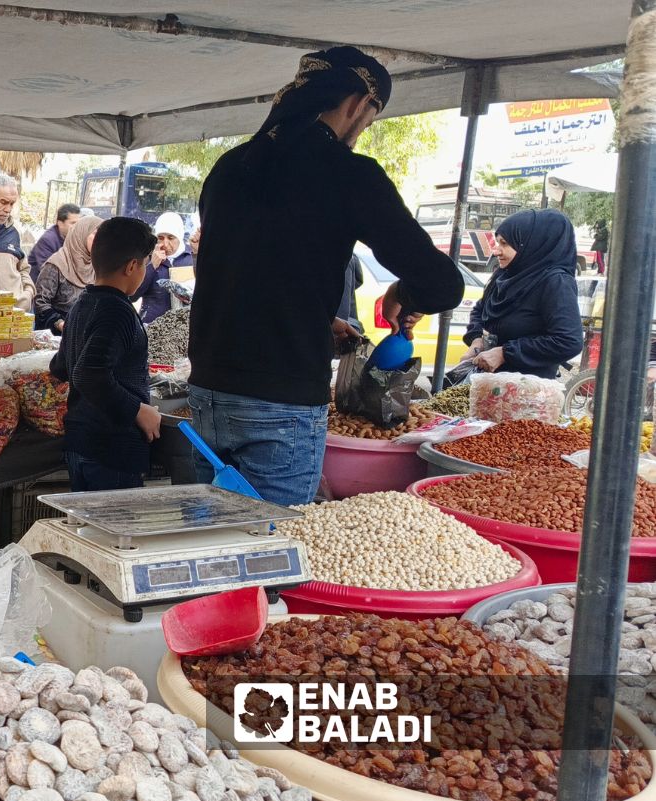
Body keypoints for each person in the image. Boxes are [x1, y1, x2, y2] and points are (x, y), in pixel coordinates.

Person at [187, 45, 463, 506]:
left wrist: (315, 321)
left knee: (211, 548)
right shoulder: (349, 174)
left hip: (207, 393)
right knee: (270, 555)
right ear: (358, 104)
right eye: (370, 117)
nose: (363, 129)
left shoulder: (231, 167)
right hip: (279, 401)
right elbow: (443, 283)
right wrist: (403, 290)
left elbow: (245, 272)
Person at [50, 217, 163, 492]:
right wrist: (138, 410)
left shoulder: (82, 304)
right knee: (114, 532)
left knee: (88, 532)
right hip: (111, 447)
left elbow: (61, 366)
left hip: (81, 442)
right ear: (132, 266)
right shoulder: (118, 311)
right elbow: (89, 374)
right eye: (145, 265)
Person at [461, 209, 583, 378]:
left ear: (532, 244)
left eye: (505, 244)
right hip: (491, 386)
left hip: (527, 393)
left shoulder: (555, 283)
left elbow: (568, 341)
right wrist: (477, 340)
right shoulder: (505, 275)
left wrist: (505, 353)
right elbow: (480, 310)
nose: (496, 251)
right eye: (498, 243)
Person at [33, 214, 102, 332]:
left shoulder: (97, 266)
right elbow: (41, 302)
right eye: (96, 234)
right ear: (82, 234)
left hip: (85, 333)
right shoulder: (57, 265)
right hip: (57, 335)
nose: (100, 240)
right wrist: (61, 324)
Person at [0, 175, 36, 310]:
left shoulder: (16, 231)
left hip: (14, 315)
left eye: (12, 203)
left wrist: (28, 292)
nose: (8, 209)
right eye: (3, 202)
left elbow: (23, 268)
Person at [135, 212, 196, 324]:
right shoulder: (147, 257)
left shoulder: (191, 257)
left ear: (179, 236)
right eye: (161, 238)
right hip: (153, 326)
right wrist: (152, 266)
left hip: (184, 327)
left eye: (171, 238)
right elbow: (134, 294)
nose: (165, 244)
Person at [29, 204, 82, 283]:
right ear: (60, 223)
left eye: (78, 223)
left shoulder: (75, 238)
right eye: (72, 223)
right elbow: (47, 271)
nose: (76, 226)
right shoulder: (47, 240)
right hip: (40, 286)